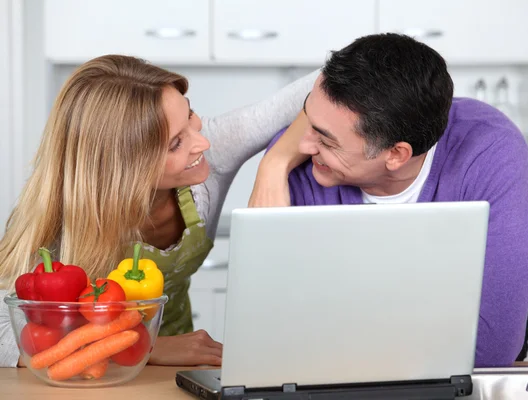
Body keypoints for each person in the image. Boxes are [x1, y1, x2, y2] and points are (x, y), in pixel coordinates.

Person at [0, 54, 317, 368]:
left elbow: (327, 84)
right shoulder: (56, 218)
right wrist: (145, 346)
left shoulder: (211, 151)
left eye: (190, 114)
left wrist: (276, 162)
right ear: (123, 170)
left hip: (184, 369)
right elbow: (3, 332)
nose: (202, 143)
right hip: (93, 378)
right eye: (175, 144)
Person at [255, 33, 528, 367]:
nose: (300, 145)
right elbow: (274, 335)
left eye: (326, 140)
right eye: (308, 117)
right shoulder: (301, 161)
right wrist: (274, 162)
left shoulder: (490, 150)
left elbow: (492, 349)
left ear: (396, 154)